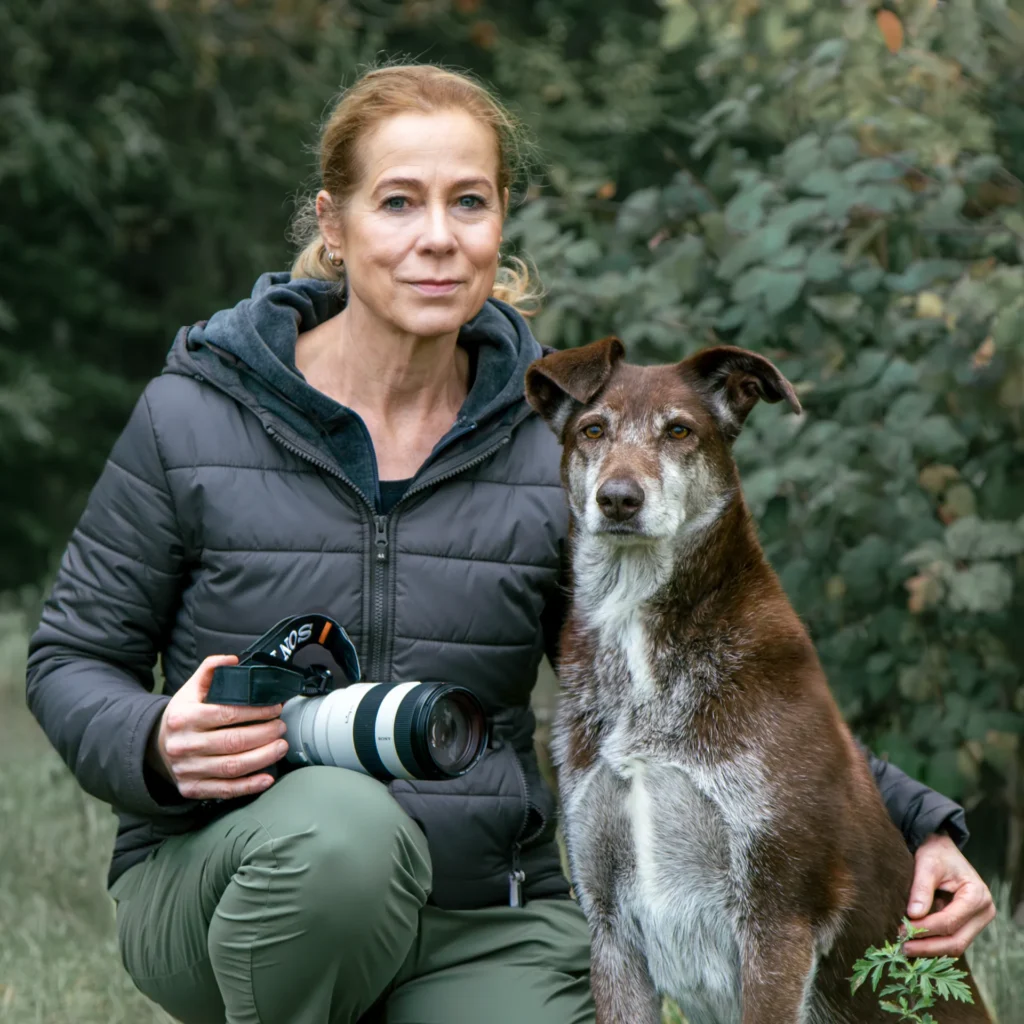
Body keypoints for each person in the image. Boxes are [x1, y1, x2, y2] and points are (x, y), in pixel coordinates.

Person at [25, 63, 995, 1024]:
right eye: (398, 202)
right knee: (342, 838)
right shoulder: (192, 417)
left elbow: (712, 672)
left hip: (475, 914)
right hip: (233, 878)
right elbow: (71, 659)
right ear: (333, 221)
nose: (437, 238)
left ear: (500, 223)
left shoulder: (560, 434)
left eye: (469, 202)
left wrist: (920, 824)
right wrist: (151, 741)